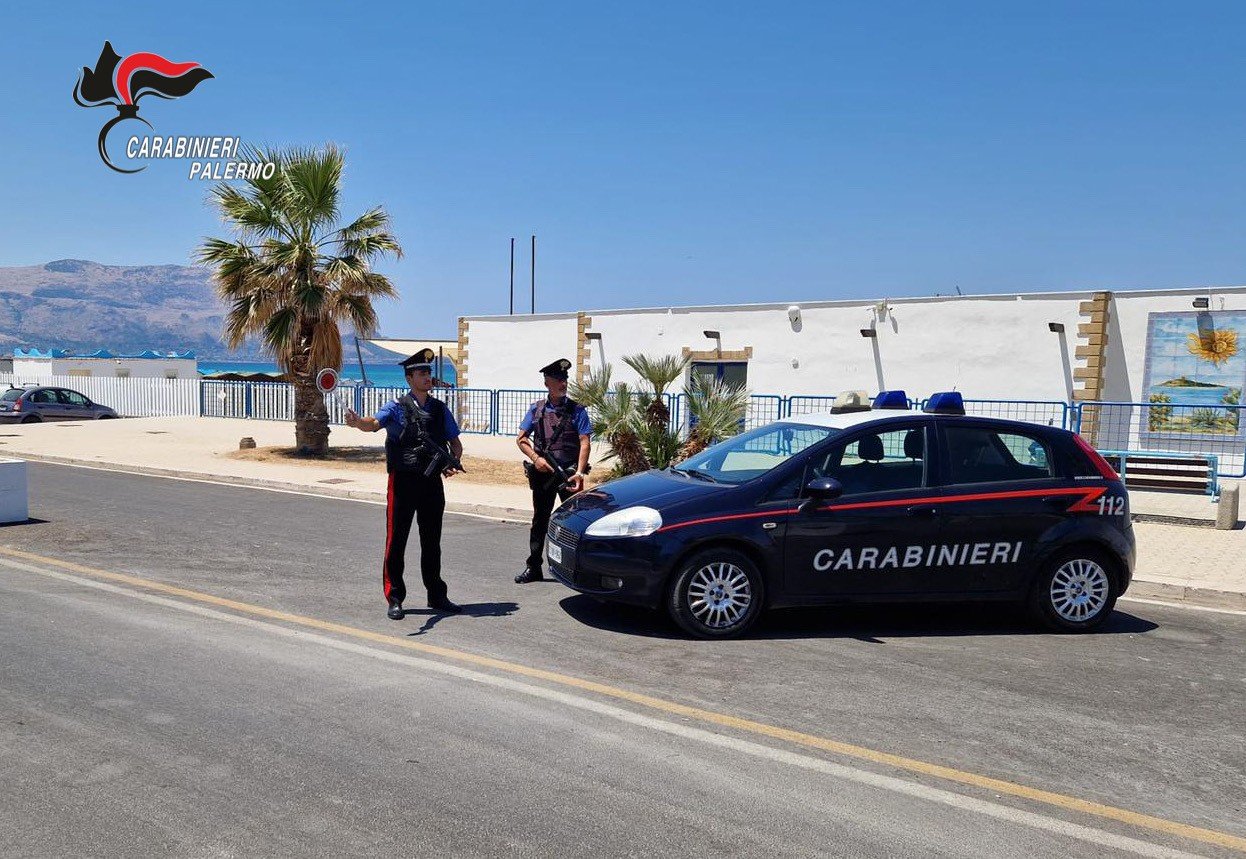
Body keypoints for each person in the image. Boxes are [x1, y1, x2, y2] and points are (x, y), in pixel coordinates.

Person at [344, 348, 464, 619]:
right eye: (421, 373)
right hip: (403, 481)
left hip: (431, 482)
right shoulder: (396, 407)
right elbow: (373, 423)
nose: (427, 377)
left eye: (429, 373)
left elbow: (455, 443)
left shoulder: (439, 409)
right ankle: (395, 597)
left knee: (432, 541)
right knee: (396, 541)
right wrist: (355, 422)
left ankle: (437, 595)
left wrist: (451, 462)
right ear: (409, 379)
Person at [515, 358, 592, 583]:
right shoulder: (537, 409)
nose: (563, 383)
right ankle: (534, 567)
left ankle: (578, 569)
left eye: (565, 379)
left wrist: (579, 473)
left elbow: (584, 441)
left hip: (568, 474)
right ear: (547, 382)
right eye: (558, 379)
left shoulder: (577, 410)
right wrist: (535, 458)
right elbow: (521, 439)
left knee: (575, 522)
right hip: (542, 474)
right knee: (540, 520)